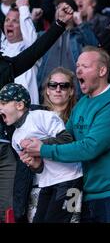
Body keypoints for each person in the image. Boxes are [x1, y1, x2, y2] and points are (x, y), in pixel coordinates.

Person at [22, 46, 110, 223]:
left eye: (85, 66)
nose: (78, 69)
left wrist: (43, 150)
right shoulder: (82, 104)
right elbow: (67, 138)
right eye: (77, 65)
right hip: (89, 192)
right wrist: (36, 152)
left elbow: (90, 147)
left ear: (102, 70)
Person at [0, 2, 74, 222]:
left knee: (7, 212)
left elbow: (33, 53)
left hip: (5, 148)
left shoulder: (3, 66)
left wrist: (58, 24)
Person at [0, 83, 83, 223]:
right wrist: (34, 164)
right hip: (47, 182)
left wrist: (40, 145)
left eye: (3, 103)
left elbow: (67, 139)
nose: (0, 107)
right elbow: (39, 168)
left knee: (62, 219)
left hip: (72, 179)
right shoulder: (15, 138)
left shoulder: (41, 116)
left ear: (19, 105)